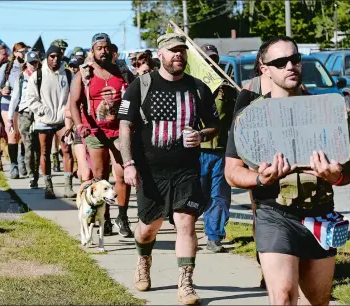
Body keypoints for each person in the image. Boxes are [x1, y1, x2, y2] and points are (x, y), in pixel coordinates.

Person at [225, 36, 350, 306]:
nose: (290, 66)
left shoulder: (326, 111)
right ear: (264, 68)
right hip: (274, 214)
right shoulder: (250, 117)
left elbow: (348, 172)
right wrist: (259, 178)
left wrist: (336, 176)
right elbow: (232, 172)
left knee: (318, 301)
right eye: (280, 62)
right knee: (283, 297)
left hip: (320, 213)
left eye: (295, 59)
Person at [117, 33, 219, 304]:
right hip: (150, 170)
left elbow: (213, 126)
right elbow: (125, 127)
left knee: (186, 224)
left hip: (186, 169)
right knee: (149, 228)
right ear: (159, 54)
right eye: (173, 51)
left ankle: (185, 283)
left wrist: (202, 136)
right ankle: (143, 259)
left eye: (182, 51)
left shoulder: (198, 88)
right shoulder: (141, 86)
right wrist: (129, 164)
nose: (179, 55)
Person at [70, 33, 134, 237]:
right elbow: (74, 102)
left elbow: (134, 95)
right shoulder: (84, 74)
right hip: (94, 131)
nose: (103, 51)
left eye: (106, 47)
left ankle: (122, 217)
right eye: (99, 48)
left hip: (118, 130)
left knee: (123, 173)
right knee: (100, 177)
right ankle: (104, 219)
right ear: (93, 51)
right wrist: (79, 126)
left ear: (111, 49)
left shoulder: (122, 71)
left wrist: (131, 118)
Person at [198, 44, 237, 253]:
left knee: (219, 195)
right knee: (199, 194)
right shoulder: (191, 86)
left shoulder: (227, 87)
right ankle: (186, 226)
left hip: (221, 149)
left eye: (214, 58)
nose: (211, 63)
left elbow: (233, 118)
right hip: (197, 150)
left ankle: (214, 236)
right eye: (206, 59)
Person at [26, 45, 76, 199]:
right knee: (44, 152)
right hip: (44, 121)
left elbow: (73, 97)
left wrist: (68, 114)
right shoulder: (38, 75)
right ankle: (48, 187)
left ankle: (68, 186)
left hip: (62, 120)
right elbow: (31, 99)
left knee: (67, 151)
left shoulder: (67, 74)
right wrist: (43, 111)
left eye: (58, 57)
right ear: (46, 57)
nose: (55, 59)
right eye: (52, 56)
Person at [0, 42, 29, 179]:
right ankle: (14, 165)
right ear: (15, 53)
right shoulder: (7, 68)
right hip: (8, 104)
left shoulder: (29, 67)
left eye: (26, 51)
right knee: (12, 134)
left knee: (24, 135)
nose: (24, 54)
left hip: (24, 105)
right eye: (22, 51)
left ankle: (22, 159)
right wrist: (2, 90)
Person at [9, 51, 41, 188]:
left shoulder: (43, 76)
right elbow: (14, 98)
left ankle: (37, 171)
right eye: (31, 63)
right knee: (28, 145)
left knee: (39, 146)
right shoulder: (21, 78)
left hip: (39, 113)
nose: (33, 65)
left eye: (36, 63)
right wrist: (10, 118)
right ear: (26, 63)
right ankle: (31, 174)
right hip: (25, 114)